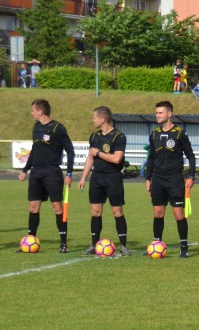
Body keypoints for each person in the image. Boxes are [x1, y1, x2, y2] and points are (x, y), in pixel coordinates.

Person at [18, 99, 73, 252]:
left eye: (33, 110)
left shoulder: (58, 128)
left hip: (52, 172)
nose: (32, 113)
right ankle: (30, 240)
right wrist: (25, 170)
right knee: (33, 207)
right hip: (36, 173)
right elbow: (34, 150)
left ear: (40, 112)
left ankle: (63, 243)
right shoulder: (36, 127)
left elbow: (70, 151)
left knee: (57, 207)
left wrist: (69, 173)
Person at [145, 101, 195, 258]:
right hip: (158, 179)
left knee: (178, 214)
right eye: (156, 113)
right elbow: (151, 157)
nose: (157, 115)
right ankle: (157, 244)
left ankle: (184, 247)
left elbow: (191, 156)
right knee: (158, 212)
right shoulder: (154, 134)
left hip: (175, 179)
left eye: (160, 113)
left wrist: (191, 176)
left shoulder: (180, 133)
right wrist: (148, 178)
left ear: (169, 114)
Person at [78, 106, 130, 257]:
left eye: (94, 117)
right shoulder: (94, 136)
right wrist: (83, 177)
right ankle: (94, 244)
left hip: (113, 177)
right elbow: (90, 158)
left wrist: (99, 153)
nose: (93, 120)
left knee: (117, 211)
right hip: (97, 178)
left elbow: (116, 159)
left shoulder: (119, 136)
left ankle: (123, 246)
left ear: (103, 119)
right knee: (95, 211)